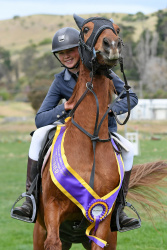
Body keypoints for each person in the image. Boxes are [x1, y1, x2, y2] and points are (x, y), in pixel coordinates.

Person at [12, 26, 139, 228]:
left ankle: (120, 209)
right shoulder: (59, 81)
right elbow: (40, 118)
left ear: (80, 49)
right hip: (72, 134)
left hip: (104, 132)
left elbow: (131, 97)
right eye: (61, 53)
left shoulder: (104, 73)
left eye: (70, 50)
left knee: (130, 151)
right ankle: (30, 198)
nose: (66, 56)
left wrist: (113, 108)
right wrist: (64, 107)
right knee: (38, 136)